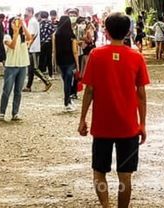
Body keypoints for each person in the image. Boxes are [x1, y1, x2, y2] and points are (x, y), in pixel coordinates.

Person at [78, 12, 149, 208]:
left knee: (99, 171)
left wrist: (82, 118)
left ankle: (106, 206)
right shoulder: (136, 57)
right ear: (128, 32)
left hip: (102, 125)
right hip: (128, 126)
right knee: (125, 176)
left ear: (106, 31)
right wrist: (142, 123)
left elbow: (89, 90)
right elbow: (141, 94)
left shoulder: (96, 54)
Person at [0, 16, 31, 122]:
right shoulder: (7, 36)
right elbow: (12, 46)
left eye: (17, 21)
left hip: (22, 65)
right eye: (14, 22)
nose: (16, 23)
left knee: (18, 91)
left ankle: (15, 113)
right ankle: (2, 112)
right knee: (7, 90)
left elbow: (29, 37)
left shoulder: (23, 36)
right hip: (11, 66)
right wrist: (16, 32)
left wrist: (23, 25)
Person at [53, 15, 80, 112]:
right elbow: (75, 51)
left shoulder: (56, 35)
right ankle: (67, 102)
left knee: (65, 81)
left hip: (60, 61)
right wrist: (77, 64)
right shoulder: (71, 35)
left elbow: (54, 50)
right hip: (70, 61)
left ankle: (68, 100)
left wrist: (55, 63)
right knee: (68, 81)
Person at [25, 7, 53, 93]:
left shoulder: (32, 22)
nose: (25, 14)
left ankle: (47, 82)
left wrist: (28, 44)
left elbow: (32, 35)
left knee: (34, 68)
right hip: (34, 46)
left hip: (33, 47)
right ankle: (28, 86)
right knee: (30, 68)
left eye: (26, 12)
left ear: (30, 12)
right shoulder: (33, 21)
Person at [38, 11, 55, 76]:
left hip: (41, 43)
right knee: (49, 58)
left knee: (41, 58)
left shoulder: (39, 24)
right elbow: (53, 32)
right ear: (47, 16)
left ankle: (41, 74)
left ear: (41, 16)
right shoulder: (50, 23)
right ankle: (50, 74)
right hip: (49, 43)